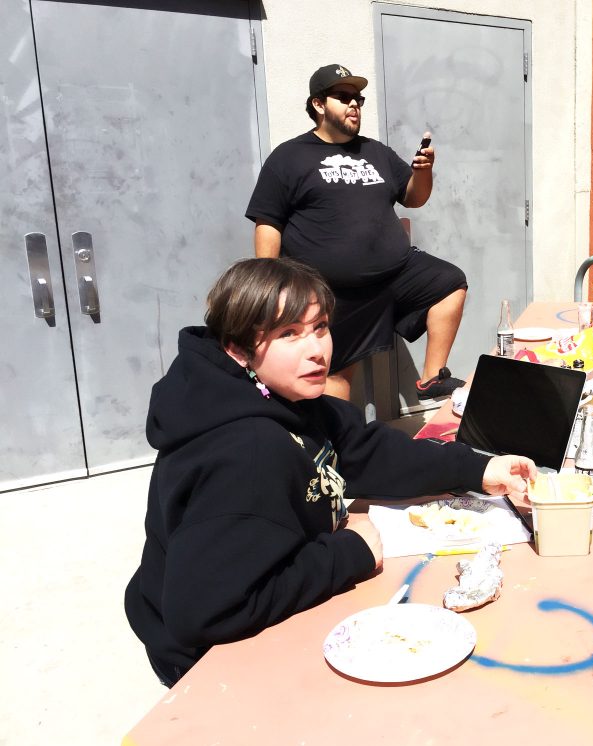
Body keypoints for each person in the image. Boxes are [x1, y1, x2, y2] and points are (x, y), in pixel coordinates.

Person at [124, 258, 535, 686]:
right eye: (289, 334)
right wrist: (348, 554)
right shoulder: (247, 452)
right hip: (206, 665)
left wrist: (479, 467)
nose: (317, 350)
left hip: (252, 609)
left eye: (320, 327)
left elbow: (368, 450)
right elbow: (205, 611)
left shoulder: (287, 398)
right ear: (238, 349)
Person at [245, 64, 467, 401]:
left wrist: (424, 172)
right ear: (318, 104)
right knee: (333, 377)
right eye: (344, 97)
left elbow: (414, 198)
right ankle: (342, 448)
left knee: (449, 282)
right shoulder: (288, 157)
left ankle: (432, 378)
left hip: (394, 275)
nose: (354, 105)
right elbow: (268, 222)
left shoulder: (375, 152)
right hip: (333, 293)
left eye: (358, 99)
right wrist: (268, 288)